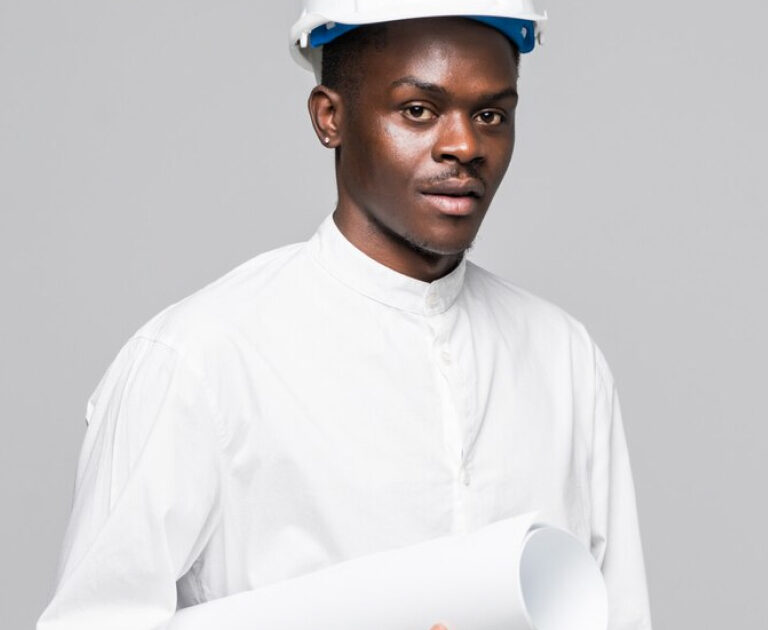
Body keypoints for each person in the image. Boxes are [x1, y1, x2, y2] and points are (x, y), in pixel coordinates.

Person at [37, 2, 653, 629]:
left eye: (490, 115)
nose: (465, 146)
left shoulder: (563, 358)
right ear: (329, 117)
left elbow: (619, 614)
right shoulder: (201, 360)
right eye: (418, 110)